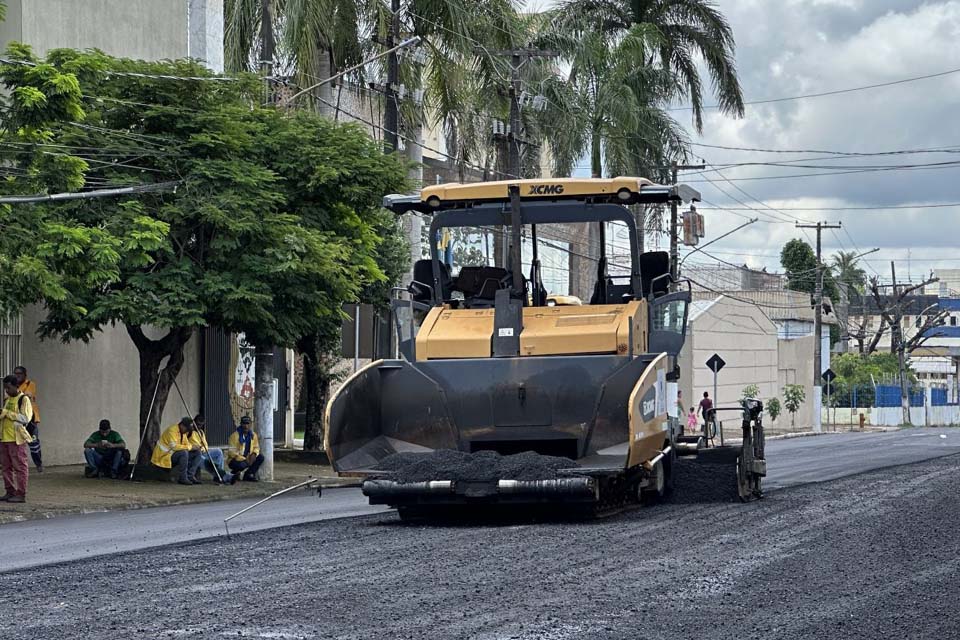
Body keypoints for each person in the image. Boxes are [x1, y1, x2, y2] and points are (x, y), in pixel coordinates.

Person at [0, 374, 32, 503]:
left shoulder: (23, 399)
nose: (7, 390)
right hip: (4, 439)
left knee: (20, 467)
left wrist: (7, 413)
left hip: (16, 439)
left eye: (8, 387)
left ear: (16, 386)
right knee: (6, 467)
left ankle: (21, 493)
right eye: (5, 388)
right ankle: (10, 491)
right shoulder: (7, 400)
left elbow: (25, 418)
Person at [151, 417, 203, 485]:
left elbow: (186, 444)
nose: (187, 431)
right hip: (164, 457)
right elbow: (174, 446)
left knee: (197, 453)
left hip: (171, 455)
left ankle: (190, 476)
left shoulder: (183, 433)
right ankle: (183, 478)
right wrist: (190, 447)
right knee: (184, 453)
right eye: (187, 429)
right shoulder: (172, 430)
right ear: (182, 425)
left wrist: (195, 447)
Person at [192, 414, 236, 485]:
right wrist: (197, 448)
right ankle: (224, 475)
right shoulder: (189, 432)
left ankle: (218, 476)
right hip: (193, 454)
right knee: (204, 461)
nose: (198, 426)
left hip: (202, 452)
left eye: (200, 425)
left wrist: (202, 448)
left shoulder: (201, 432)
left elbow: (205, 445)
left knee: (218, 451)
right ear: (194, 422)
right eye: (197, 424)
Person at [13, 366, 42, 472]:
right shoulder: (12, 385)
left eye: (20, 373)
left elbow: (27, 396)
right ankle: (17, 466)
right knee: (16, 442)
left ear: (25, 375)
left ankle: (38, 464)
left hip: (31, 418)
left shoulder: (30, 384)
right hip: (17, 417)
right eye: (15, 373)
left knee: (34, 442)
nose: (17, 375)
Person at [227, 416, 264, 482]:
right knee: (242, 464)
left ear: (250, 424)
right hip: (235, 460)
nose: (246, 426)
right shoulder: (234, 436)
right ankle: (234, 473)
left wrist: (254, 454)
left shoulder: (253, 435)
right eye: (244, 423)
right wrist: (245, 459)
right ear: (241, 424)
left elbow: (256, 447)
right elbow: (231, 452)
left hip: (248, 458)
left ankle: (248, 475)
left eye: (247, 423)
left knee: (260, 457)